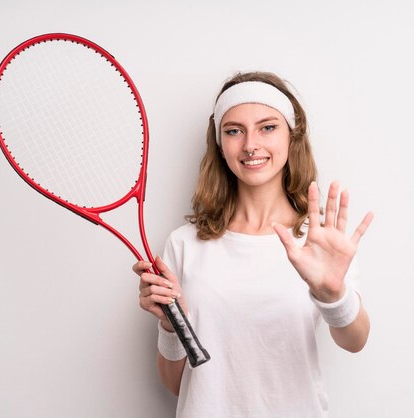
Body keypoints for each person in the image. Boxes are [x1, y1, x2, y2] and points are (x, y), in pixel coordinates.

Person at [133, 71, 374, 417]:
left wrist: (333, 295)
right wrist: (172, 324)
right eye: (234, 131)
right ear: (220, 143)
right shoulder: (184, 244)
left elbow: (356, 341)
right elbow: (176, 385)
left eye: (267, 127)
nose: (250, 145)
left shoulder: (318, 240)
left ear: (292, 137)